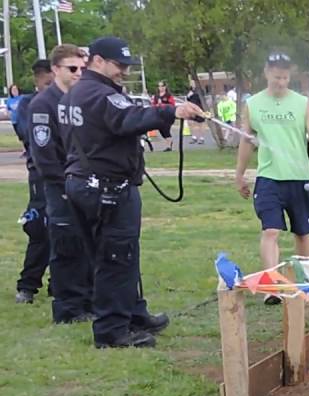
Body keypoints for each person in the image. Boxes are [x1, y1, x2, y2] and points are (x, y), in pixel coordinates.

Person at [60, 36, 205, 348]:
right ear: (97, 61)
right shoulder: (98, 93)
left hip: (86, 183)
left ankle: (133, 313)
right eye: (118, 65)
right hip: (105, 187)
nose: (123, 71)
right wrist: (171, 113)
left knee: (118, 254)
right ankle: (112, 330)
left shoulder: (77, 93)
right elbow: (127, 117)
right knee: (115, 256)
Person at [235, 51, 309, 303]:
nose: (281, 82)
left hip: (300, 179)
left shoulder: (303, 103)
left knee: (302, 233)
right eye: (277, 77)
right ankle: (272, 285)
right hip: (268, 178)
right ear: (266, 73)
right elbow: (247, 142)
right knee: (271, 231)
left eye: (285, 77)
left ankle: (305, 281)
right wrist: (239, 174)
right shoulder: (253, 104)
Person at [28, 45, 94, 323]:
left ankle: (88, 299)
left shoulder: (80, 99)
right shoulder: (43, 104)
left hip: (84, 183)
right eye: (72, 68)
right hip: (60, 186)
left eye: (82, 68)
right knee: (66, 244)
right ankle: (68, 307)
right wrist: (65, 185)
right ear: (55, 69)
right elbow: (45, 155)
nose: (79, 73)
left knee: (87, 242)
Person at [14, 60, 54, 304]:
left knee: (69, 229)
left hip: (68, 172)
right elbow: (31, 136)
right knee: (39, 227)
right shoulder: (29, 104)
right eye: (47, 82)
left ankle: (61, 283)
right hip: (41, 174)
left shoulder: (65, 101)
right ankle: (28, 285)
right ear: (37, 80)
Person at [149, 81, 177, 150]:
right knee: (161, 130)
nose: (160, 88)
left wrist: (163, 105)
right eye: (159, 86)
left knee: (166, 129)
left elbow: (172, 105)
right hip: (159, 115)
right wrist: (156, 105)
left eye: (162, 86)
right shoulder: (156, 96)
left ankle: (168, 146)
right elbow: (153, 104)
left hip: (167, 115)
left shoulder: (168, 95)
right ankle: (169, 141)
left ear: (165, 87)